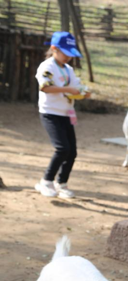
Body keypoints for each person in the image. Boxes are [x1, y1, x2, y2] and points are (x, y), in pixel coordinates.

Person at [34, 31, 90, 199]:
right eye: (65, 53)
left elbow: (76, 86)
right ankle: (45, 181)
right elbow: (45, 87)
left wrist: (84, 92)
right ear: (54, 49)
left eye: (70, 54)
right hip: (50, 113)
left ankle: (62, 183)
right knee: (62, 148)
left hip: (66, 113)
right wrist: (67, 90)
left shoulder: (68, 69)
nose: (68, 57)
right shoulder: (47, 66)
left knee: (72, 151)